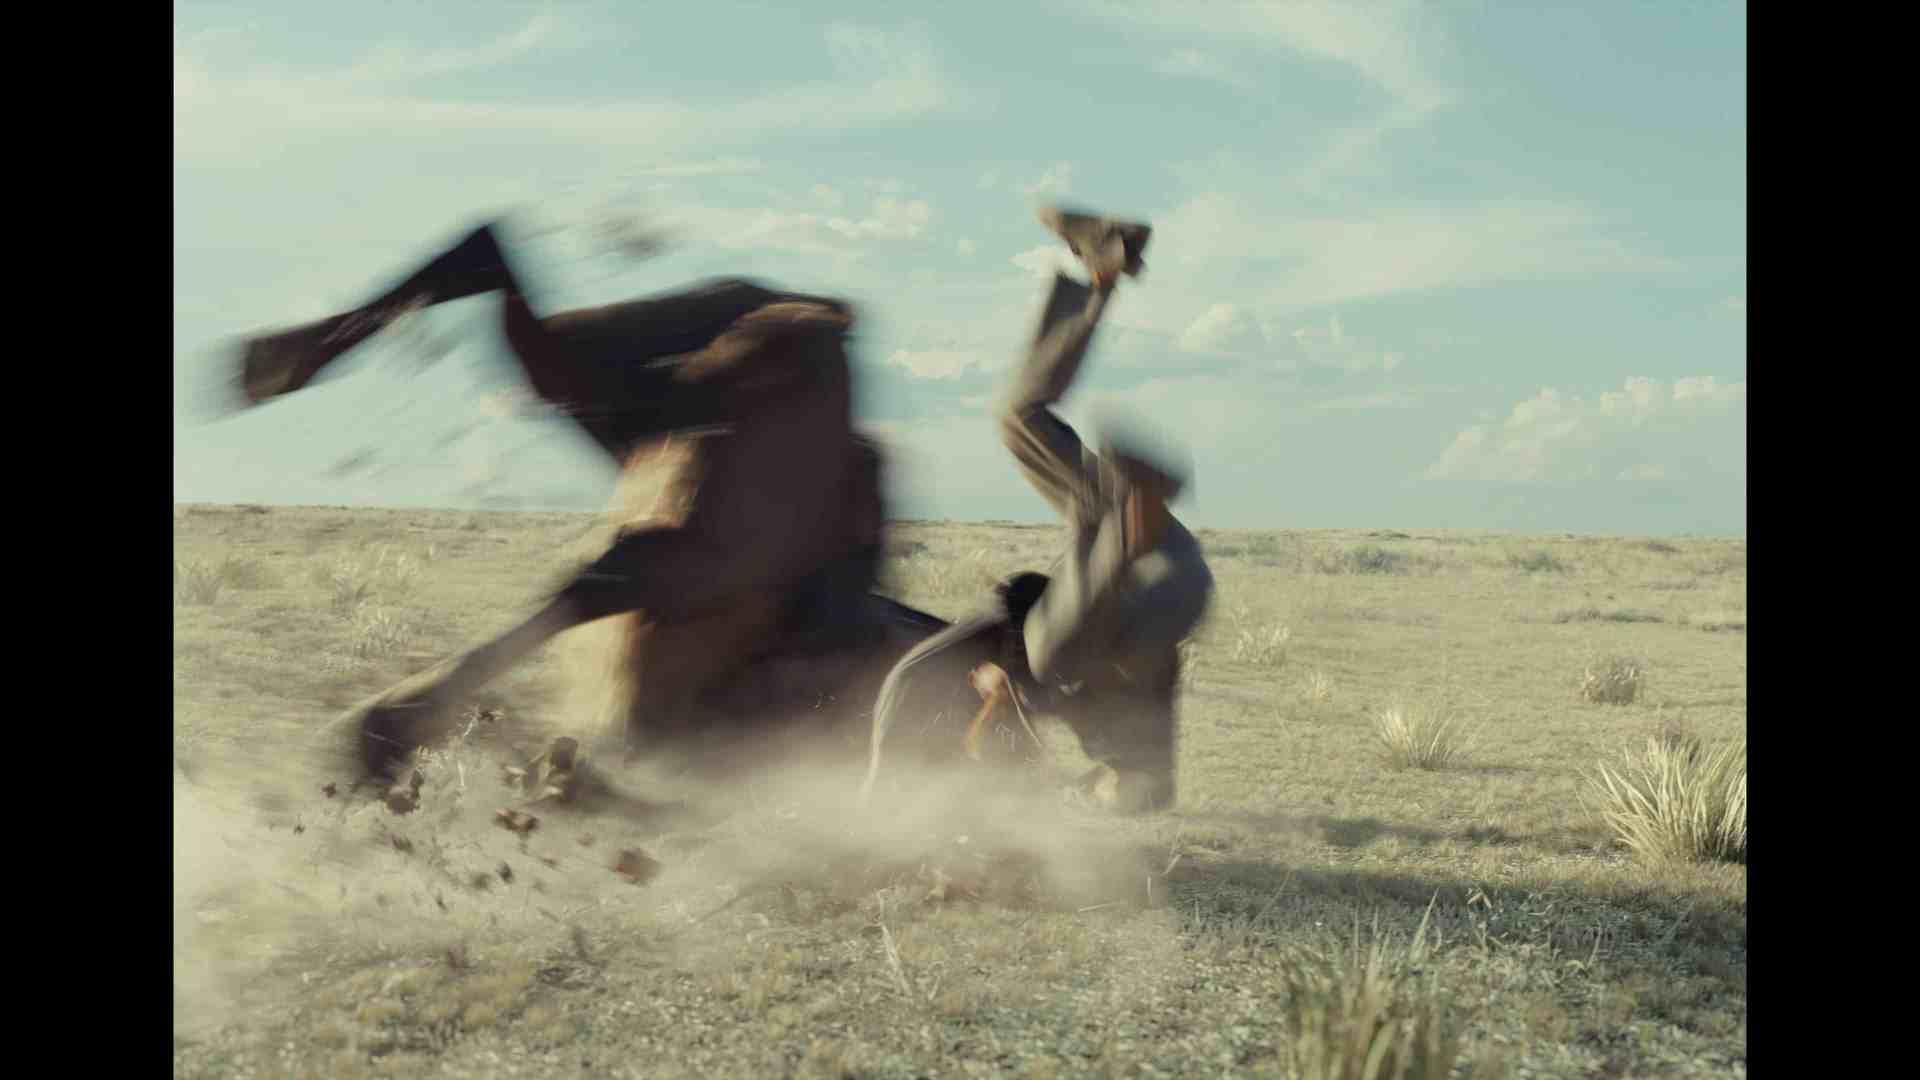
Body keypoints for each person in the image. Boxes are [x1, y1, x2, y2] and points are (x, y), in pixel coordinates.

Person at [865, 206, 1214, 814]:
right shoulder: (1093, 710)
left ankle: (1102, 267)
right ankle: (1127, 524)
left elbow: (909, 679)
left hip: (1159, 565)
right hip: (1155, 576)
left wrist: (872, 802)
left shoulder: (1000, 653)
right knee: (1063, 655)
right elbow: (1141, 790)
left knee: (1017, 421)